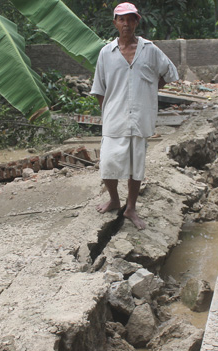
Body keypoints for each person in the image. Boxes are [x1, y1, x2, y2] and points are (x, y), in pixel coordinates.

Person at [90, 2, 179, 230]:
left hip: (140, 119)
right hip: (114, 119)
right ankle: (114, 199)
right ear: (115, 23)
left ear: (137, 21)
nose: (126, 23)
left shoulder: (150, 50)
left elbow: (169, 73)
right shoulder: (105, 53)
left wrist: (149, 90)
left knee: (135, 166)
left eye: (130, 19)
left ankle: (131, 208)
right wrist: (110, 109)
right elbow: (99, 89)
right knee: (108, 162)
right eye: (121, 19)